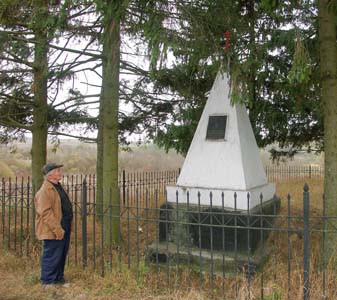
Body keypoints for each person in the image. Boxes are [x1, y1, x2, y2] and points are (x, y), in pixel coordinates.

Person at [34, 163, 73, 285]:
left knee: (61, 253)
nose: (60, 172)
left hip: (64, 223)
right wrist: (57, 229)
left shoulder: (57, 186)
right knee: (52, 255)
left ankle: (58, 278)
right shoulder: (45, 191)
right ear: (50, 175)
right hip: (53, 227)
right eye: (57, 171)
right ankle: (47, 282)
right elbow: (45, 213)